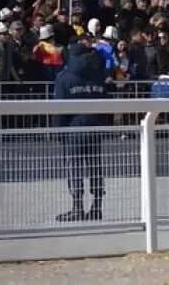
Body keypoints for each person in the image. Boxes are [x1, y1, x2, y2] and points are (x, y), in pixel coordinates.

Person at [53, 34, 109, 221]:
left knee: (74, 166)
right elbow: (107, 101)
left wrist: (59, 132)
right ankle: (97, 206)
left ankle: (77, 207)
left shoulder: (65, 77)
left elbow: (59, 108)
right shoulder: (98, 75)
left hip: (74, 128)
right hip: (95, 126)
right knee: (95, 165)